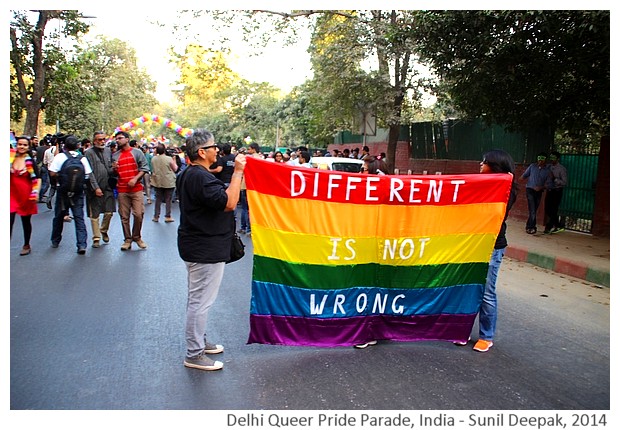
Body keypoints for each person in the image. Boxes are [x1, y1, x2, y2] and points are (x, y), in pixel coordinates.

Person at [176, 128, 247, 371]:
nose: (218, 150)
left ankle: (199, 341)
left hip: (199, 245)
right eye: (213, 146)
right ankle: (194, 353)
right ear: (201, 152)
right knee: (200, 302)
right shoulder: (200, 177)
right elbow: (229, 203)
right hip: (203, 248)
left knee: (198, 299)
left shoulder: (192, 174)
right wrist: (238, 172)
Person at [455, 149, 518, 352]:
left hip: (492, 245)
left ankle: (486, 336)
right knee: (467, 288)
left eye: (485, 162)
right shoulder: (477, 184)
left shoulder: (507, 188)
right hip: (471, 243)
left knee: (486, 292)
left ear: (496, 165)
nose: (480, 164)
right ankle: (461, 331)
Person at [48, 135, 92, 254]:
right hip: (77, 193)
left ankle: (55, 240)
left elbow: (52, 173)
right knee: (79, 218)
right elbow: (87, 174)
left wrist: (61, 177)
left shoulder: (60, 157)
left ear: (65, 146)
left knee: (59, 216)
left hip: (62, 192)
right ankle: (81, 244)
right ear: (77, 146)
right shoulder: (82, 158)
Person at [112, 131, 149, 251]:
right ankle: (127, 239)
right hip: (122, 189)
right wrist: (114, 169)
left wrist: (135, 178)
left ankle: (137, 237)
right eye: (116, 138)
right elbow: (112, 173)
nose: (118, 140)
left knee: (138, 214)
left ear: (127, 139)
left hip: (136, 189)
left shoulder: (137, 152)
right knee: (124, 216)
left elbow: (144, 168)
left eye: (120, 138)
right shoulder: (115, 156)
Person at [84, 131, 116, 248]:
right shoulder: (88, 153)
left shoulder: (108, 151)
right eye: (99, 139)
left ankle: (104, 229)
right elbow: (89, 172)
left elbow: (110, 169)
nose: (102, 141)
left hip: (107, 186)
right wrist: (95, 187)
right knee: (95, 214)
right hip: (94, 188)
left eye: (103, 139)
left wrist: (115, 169)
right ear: (94, 141)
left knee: (109, 212)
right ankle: (96, 238)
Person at [10, 136, 40, 256]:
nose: (21, 147)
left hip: (26, 196)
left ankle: (26, 244)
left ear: (28, 147)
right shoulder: (10, 158)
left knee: (25, 221)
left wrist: (36, 192)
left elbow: (37, 178)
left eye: (25, 145)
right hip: (11, 195)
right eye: (20, 144)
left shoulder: (30, 161)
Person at [519, 152, 549, 234]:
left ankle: (529, 226)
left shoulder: (547, 170)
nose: (540, 161)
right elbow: (524, 175)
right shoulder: (532, 166)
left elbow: (548, 183)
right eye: (539, 158)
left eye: (542, 159)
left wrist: (541, 187)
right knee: (532, 209)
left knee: (534, 209)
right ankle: (531, 227)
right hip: (530, 189)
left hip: (539, 191)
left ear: (545, 160)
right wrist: (519, 179)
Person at [150, 143, 178, 223]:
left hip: (157, 181)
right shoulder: (169, 159)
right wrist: (174, 160)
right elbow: (175, 169)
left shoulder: (154, 159)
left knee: (158, 199)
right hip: (168, 181)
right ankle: (167, 216)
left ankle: (156, 216)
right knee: (168, 199)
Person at [543, 151, 568, 234]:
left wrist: (555, 179)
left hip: (557, 191)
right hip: (549, 190)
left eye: (553, 158)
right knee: (547, 209)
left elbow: (564, 182)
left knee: (553, 209)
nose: (551, 159)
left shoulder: (561, 169)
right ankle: (558, 225)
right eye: (551, 158)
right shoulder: (548, 167)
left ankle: (549, 227)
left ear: (558, 159)